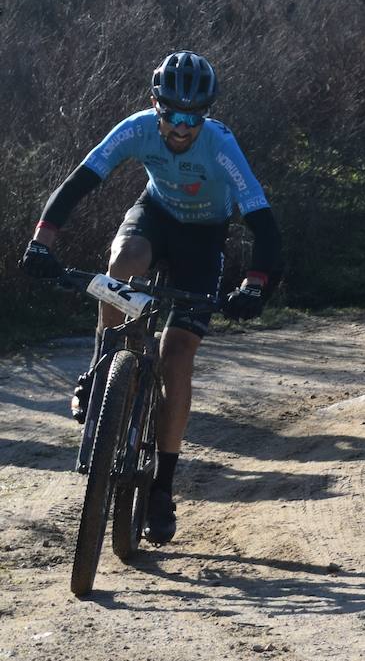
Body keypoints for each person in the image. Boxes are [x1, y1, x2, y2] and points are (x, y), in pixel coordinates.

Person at [20, 51, 282, 545]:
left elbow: (264, 224)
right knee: (123, 263)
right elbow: (78, 183)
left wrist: (254, 286)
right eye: (173, 115)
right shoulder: (136, 129)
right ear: (155, 105)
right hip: (155, 217)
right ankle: (102, 368)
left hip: (204, 239)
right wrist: (41, 242)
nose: (182, 127)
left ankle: (161, 488)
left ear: (206, 115)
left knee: (176, 357)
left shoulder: (221, 144)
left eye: (194, 117)